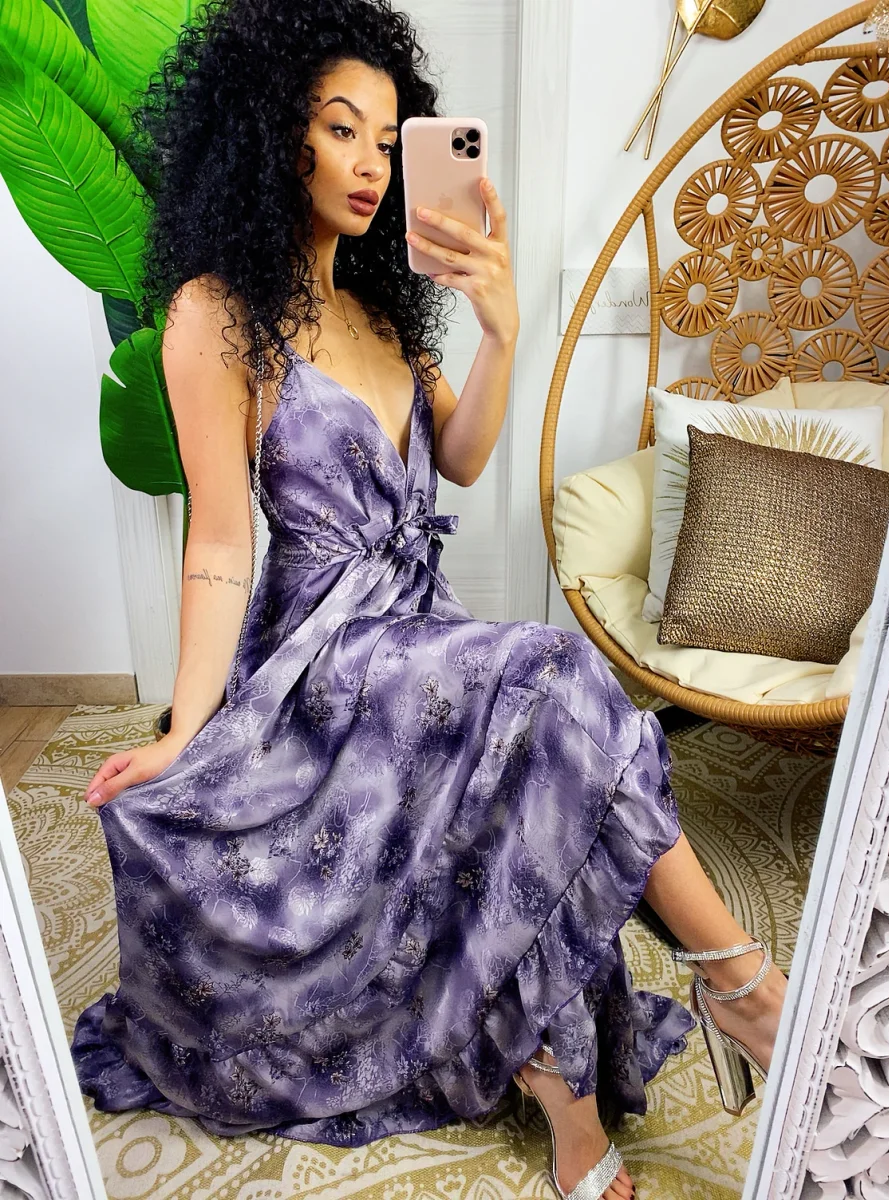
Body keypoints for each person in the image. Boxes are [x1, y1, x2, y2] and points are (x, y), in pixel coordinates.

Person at [69, 2, 787, 1197]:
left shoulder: (381, 310)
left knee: (539, 748)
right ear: (274, 134)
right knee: (555, 679)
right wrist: (186, 732)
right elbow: (221, 541)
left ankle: (568, 1091)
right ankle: (742, 984)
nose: (368, 161)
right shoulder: (215, 313)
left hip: (420, 640)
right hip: (317, 669)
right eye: (339, 128)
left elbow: (458, 457)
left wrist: (502, 328)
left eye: (387, 137)